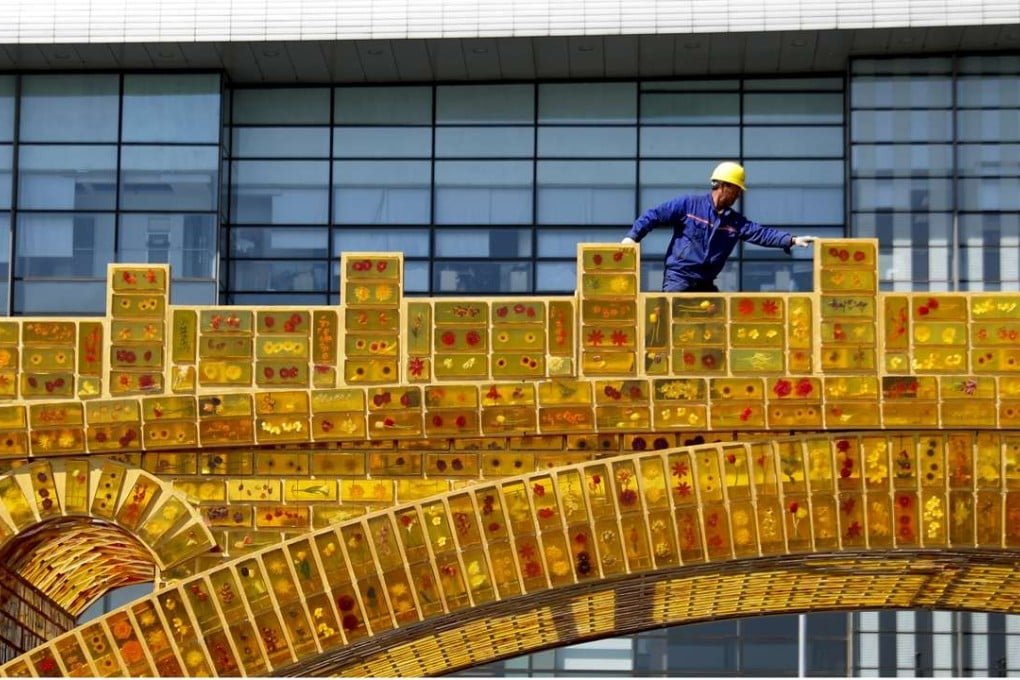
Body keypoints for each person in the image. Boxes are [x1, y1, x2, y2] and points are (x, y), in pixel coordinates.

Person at [621, 161, 816, 292]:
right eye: (736, 190)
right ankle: (655, 355)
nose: (738, 195)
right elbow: (653, 216)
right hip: (679, 279)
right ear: (724, 186)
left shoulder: (735, 222)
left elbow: (761, 233)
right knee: (670, 324)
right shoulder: (688, 205)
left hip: (706, 283)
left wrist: (791, 240)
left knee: (714, 330)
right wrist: (632, 237)